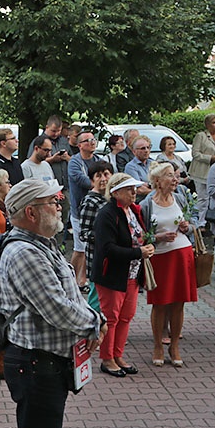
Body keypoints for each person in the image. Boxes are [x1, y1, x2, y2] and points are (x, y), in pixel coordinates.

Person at [0, 178, 106, 428]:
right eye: (52, 202)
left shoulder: (42, 245)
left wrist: (93, 317)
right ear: (30, 212)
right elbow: (57, 308)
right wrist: (95, 322)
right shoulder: (24, 253)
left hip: (46, 364)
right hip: (35, 365)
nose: (60, 206)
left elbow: (70, 294)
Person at [91, 173, 154, 377]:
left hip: (132, 274)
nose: (134, 192)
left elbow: (139, 236)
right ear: (116, 192)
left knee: (126, 316)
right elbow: (107, 248)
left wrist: (148, 246)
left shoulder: (133, 210)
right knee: (111, 317)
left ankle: (118, 355)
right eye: (129, 189)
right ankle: (107, 358)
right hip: (112, 275)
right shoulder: (106, 214)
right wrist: (138, 252)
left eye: (134, 188)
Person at [140, 163, 197, 367]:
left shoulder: (180, 197)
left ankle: (174, 346)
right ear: (157, 181)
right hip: (160, 257)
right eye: (169, 176)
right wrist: (158, 236)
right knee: (160, 303)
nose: (175, 179)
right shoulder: (147, 203)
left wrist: (187, 227)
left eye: (175, 176)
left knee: (179, 302)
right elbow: (141, 234)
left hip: (182, 254)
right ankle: (157, 345)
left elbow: (193, 224)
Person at [78, 160, 113, 312]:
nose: (103, 179)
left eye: (106, 174)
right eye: (98, 176)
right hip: (97, 257)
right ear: (92, 180)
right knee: (97, 298)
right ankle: (93, 329)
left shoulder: (112, 199)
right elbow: (84, 233)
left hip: (113, 256)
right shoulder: (90, 201)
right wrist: (105, 237)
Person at [68, 131, 99, 287]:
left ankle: (82, 280)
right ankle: (69, 280)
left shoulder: (99, 160)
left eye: (93, 139)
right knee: (79, 249)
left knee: (89, 248)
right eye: (87, 141)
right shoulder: (74, 162)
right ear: (79, 145)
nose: (92, 142)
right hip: (80, 212)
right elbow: (83, 181)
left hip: (97, 211)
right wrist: (100, 183)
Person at [189, 114, 215, 227]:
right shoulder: (201, 136)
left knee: (213, 197)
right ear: (207, 124)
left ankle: (211, 219)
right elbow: (195, 154)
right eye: (213, 122)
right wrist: (210, 158)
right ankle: (200, 222)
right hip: (201, 172)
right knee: (202, 197)